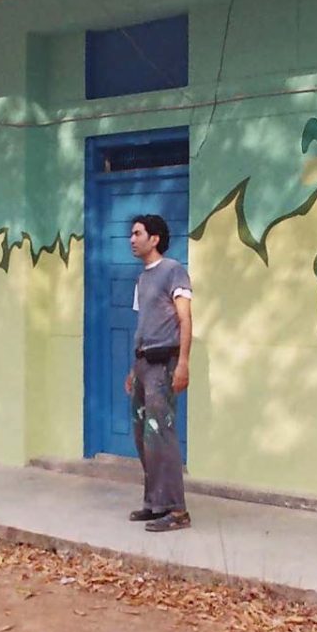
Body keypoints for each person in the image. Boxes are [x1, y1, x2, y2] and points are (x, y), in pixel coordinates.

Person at [125, 213, 193, 532]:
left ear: (154, 239)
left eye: (137, 233)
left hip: (163, 364)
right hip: (142, 363)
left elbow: (185, 320)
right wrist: (132, 369)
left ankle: (177, 510)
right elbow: (143, 325)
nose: (132, 239)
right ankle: (155, 503)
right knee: (142, 434)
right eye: (131, 234)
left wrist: (183, 363)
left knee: (161, 433)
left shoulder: (173, 271)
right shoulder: (142, 278)